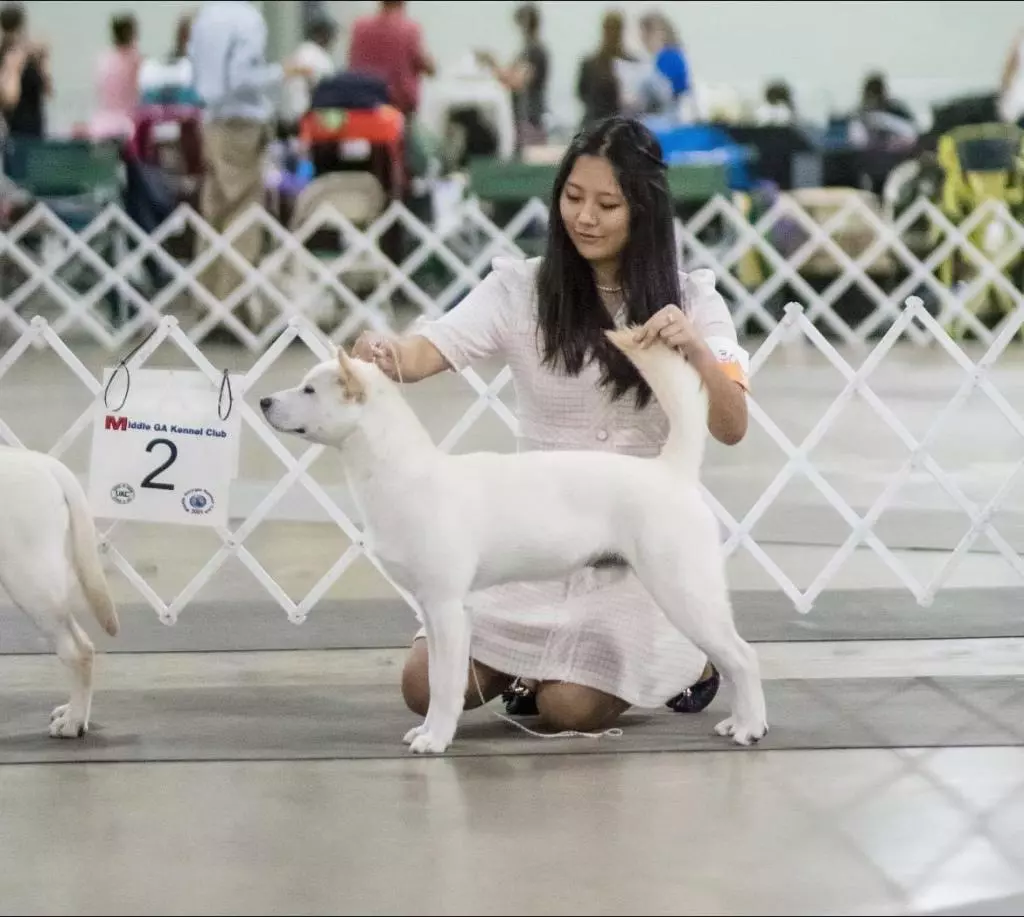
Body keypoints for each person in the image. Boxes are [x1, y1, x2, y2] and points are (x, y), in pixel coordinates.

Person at [353, 115, 750, 732]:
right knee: (421, 685)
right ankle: (533, 668)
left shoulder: (694, 299)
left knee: (568, 709)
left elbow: (732, 425)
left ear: (642, 211)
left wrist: (697, 350)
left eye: (606, 204)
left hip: (639, 543)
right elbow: (427, 350)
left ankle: (692, 662)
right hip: (531, 546)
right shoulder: (520, 290)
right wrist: (386, 353)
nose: (584, 217)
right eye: (572, 197)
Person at [475, 2, 549, 150]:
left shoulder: (535, 51)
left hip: (529, 120)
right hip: (524, 120)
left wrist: (492, 63)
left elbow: (517, 82)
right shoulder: (527, 50)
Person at [0, 1, 49, 140]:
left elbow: (47, 90)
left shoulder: (30, 55)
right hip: (15, 132)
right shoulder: (6, 57)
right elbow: (9, 100)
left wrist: (43, 62)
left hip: (36, 129)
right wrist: (14, 69)